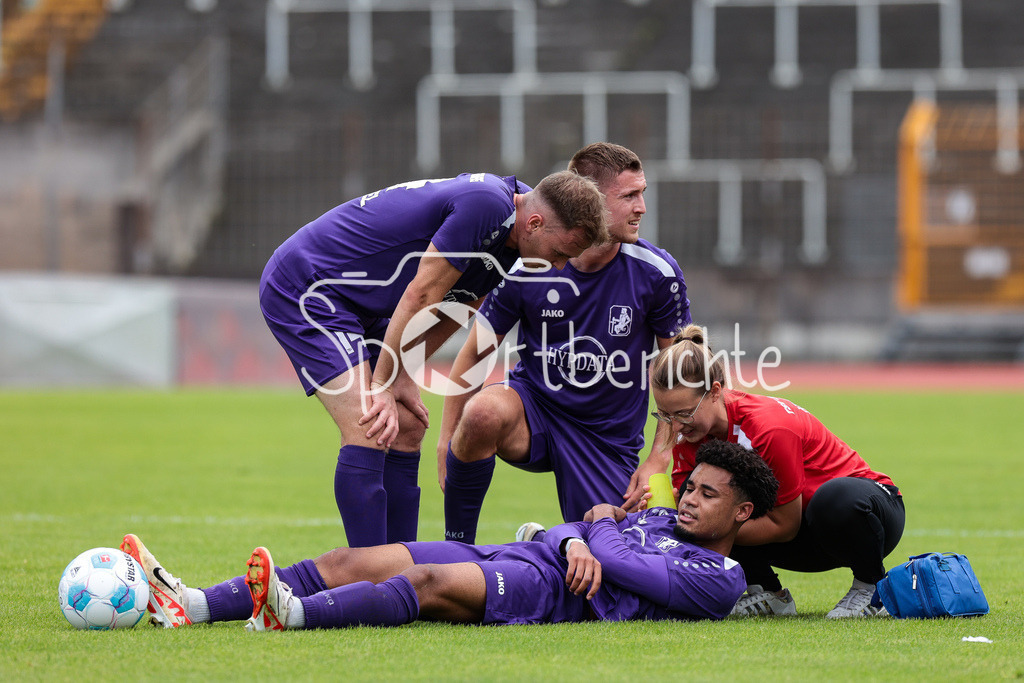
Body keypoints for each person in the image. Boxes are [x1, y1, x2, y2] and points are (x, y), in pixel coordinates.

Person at [259, 170, 608, 548]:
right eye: (560, 254)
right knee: (370, 424)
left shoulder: (521, 227)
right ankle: (366, 585)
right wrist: (382, 386)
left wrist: (404, 376)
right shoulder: (488, 207)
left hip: (365, 304)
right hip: (310, 287)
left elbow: (458, 308)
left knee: (407, 424)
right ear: (536, 224)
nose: (558, 266)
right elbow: (422, 296)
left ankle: (399, 575)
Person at [120, 439, 779, 630]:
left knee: (424, 583)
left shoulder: (719, 582)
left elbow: (624, 566)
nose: (687, 499)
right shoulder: (662, 518)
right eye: (689, 487)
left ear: (742, 514)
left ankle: (291, 616)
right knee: (350, 556)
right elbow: (566, 528)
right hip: (525, 554)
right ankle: (194, 604)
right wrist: (576, 536)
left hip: (549, 596)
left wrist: (593, 532)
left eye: (707, 494)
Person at [440, 143, 690, 544]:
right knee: (483, 412)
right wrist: (447, 438)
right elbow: (476, 351)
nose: (641, 207)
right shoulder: (526, 266)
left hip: (606, 440)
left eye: (642, 193)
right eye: (629, 196)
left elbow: (682, 375)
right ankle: (457, 550)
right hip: (534, 410)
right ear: (588, 195)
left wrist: (660, 456)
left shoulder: (657, 273)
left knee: (612, 563)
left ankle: (540, 542)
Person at [648, 324, 906, 619]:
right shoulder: (687, 437)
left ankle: (872, 590)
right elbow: (691, 514)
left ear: (715, 392)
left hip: (867, 518)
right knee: (711, 510)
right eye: (665, 415)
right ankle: (769, 594)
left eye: (684, 413)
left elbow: (785, 524)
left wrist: (708, 524)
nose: (676, 426)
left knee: (831, 499)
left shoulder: (769, 427)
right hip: (805, 532)